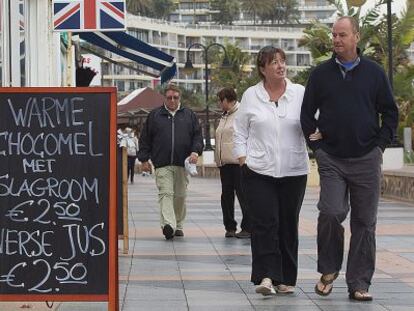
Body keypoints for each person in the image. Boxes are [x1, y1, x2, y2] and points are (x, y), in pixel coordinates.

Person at [300, 16, 399, 301]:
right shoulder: (320, 74)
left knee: (365, 222)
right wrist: (316, 147)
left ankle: (359, 283)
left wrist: (380, 145)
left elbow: (390, 113)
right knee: (331, 212)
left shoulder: (375, 73)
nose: (336, 40)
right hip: (331, 157)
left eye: (342, 35)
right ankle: (329, 270)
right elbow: (306, 115)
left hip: (367, 158)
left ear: (356, 37)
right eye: (333, 35)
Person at [234, 46, 309, 296]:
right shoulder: (250, 95)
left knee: (288, 224)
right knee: (265, 223)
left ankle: (285, 278)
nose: (280, 65)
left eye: (282, 61)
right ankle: (266, 276)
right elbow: (240, 131)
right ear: (262, 69)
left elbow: (313, 122)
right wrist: (243, 159)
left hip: (294, 171)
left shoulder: (300, 93)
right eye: (273, 62)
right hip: (258, 170)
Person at [138, 84, 204, 240]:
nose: (172, 100)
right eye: (169, 97)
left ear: (179, 98)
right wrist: (144, 159)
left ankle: (178, 224)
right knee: (166, 194)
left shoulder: (189, 115)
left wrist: (195, 151)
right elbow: (145, 139)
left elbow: (197, 137)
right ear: (165, 98)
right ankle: (168, 225)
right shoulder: (155, 116)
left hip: (183, 163)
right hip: (162, 164)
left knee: (180, 196)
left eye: (175, 97)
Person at [215, 87, 251, 239]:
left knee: (244, 195)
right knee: (226, 197)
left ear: (228, 100)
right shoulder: (224, 116)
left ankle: (248, 227)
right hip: (225, 164)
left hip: (239, 163)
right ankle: (229, 227)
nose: (219, 103)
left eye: (220, 100)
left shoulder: (241, 113)